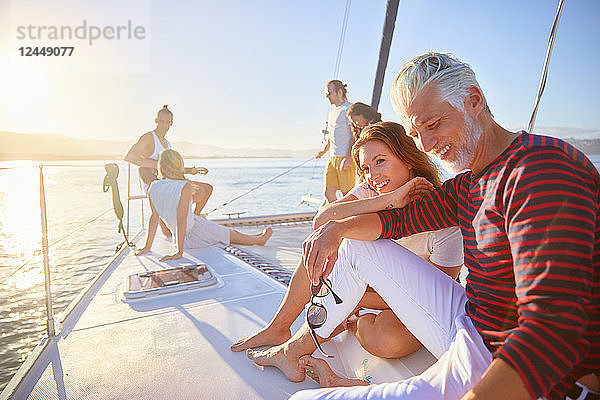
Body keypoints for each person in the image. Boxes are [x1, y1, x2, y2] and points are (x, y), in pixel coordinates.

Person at [247, 52, 599, 400]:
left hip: (513, 360)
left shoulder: (541, 171)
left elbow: (552, 331)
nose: (428, 146)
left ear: (473, 100)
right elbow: (397, 221)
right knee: (356, 241)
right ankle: (294, 346)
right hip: (473, 321)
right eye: (416, 135)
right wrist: (336, 229)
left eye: (434, 125)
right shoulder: (471, 182)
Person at [234, 122, 463, 364]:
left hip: (412, 300)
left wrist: (356, 299)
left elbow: (434, 300)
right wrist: (389, 199)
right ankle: (279, 327)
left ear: (408, 159)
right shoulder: (371, 190)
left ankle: (350, 322)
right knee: (319, 242)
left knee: (386, 341)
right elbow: (322, 220)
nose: (372, 176)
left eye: (380, 161)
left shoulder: (443, 218)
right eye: (365, 168)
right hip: (369, 286)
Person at [135, 149, 272, 261]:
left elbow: (154, 218)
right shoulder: (185, 186)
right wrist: (179, 251)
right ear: (179, 165)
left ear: (161, 167)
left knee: (228, 232)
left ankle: (255, 236)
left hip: (182, 234)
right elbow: (181, 220)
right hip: (193, 235)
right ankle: (259, 240)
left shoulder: (153, 186)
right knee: (233, 235)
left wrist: (148, 247)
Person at [124, 105, 208, 237]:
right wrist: (157, 165)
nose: (163, 125)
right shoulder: (149, 137)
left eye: (167, 122)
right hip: (156, 185)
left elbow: (169, 168)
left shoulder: (167, 144)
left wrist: (190, 170)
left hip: (168, 182)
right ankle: (181, 222)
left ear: (171, 123)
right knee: (168, 233)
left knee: (206, 190)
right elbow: (129, 157)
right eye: (161, 121)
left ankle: (191, 219)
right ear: (156, 120)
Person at [315, 80, 355, 202]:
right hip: (332, 158)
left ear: (339, 92)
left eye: (329, 93)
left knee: (347, 195)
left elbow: (354, 135)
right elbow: (331, 135)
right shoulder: (332, 111)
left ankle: (350, 220)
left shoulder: (349, 109)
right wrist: (324, 151)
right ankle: (339, 218)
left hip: (345, 157)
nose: (327, 96)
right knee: (328, 194)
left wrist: (349, 158)